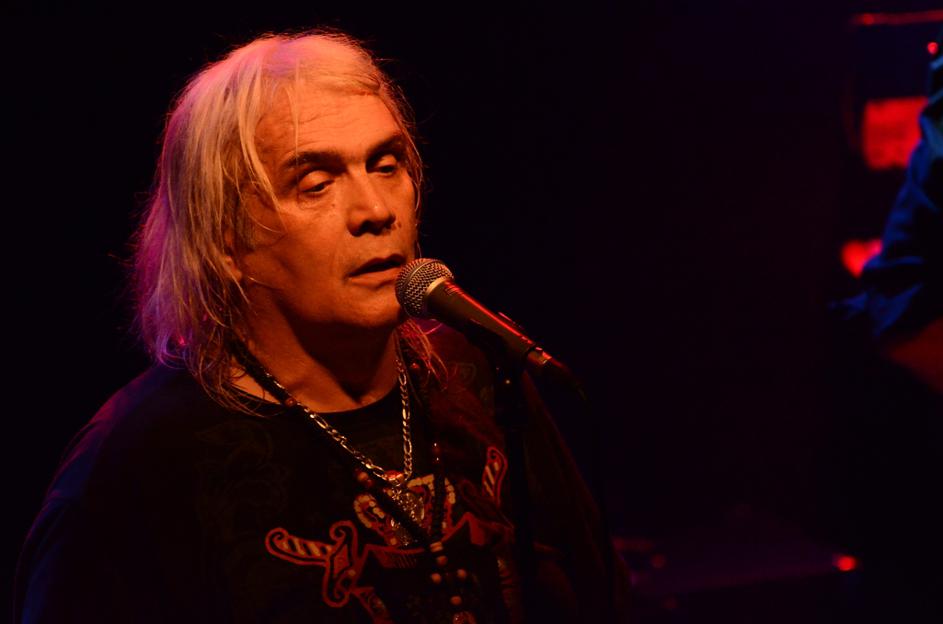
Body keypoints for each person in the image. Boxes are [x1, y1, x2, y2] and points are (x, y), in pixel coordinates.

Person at [13, 30, 630, 623]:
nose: (375, 210)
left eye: (385, 165)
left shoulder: (478, 372)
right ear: (225, 236)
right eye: (316, 183)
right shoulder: (138, 462)